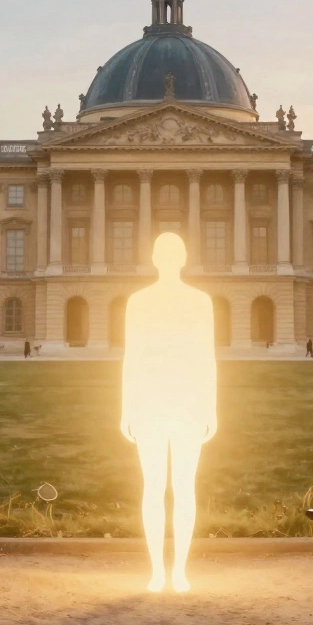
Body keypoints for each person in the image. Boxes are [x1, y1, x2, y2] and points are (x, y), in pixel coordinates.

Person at [121, 233, 217, 593]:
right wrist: (125, 408)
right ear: (155, 259)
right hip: (151, 402)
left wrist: (212, 407)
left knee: (183, 489)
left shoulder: (200, 301)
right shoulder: (138, 301)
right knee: (154, 488)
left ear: (183, 258)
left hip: (186, 402)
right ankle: (158, 572)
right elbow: (131, 357)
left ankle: (179, 572)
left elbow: (207, 358)